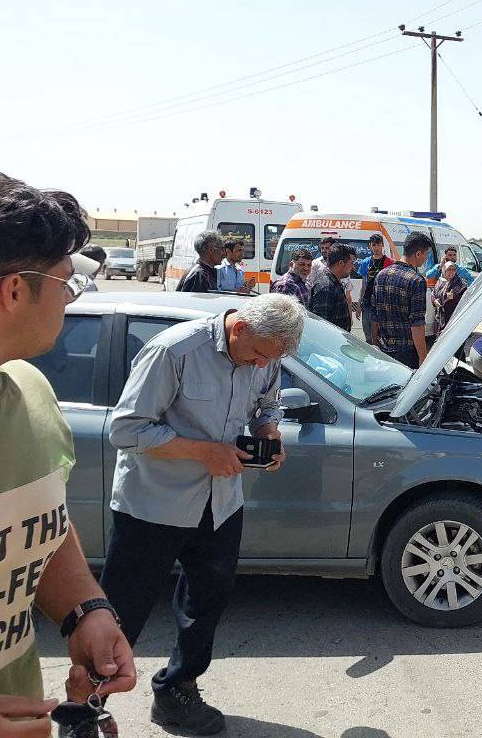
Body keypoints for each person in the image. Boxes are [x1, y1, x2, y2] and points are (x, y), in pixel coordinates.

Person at [0, 165, 137, 733]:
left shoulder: (32, 392)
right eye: (65, 281)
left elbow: (38, 524)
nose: (70, 297)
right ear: (12, 291)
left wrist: (85, 610)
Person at [99, 293, 301, 735]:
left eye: (271, 360)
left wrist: (268, 432)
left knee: (207, 598)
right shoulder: (175, 350)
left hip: (220, 501)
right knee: (121, 609)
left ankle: (176, 691)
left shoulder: (266, 353)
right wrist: (203, 452)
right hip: (153, 503)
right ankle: (90, 700)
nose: (261, 365)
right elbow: (126, 429)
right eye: (259, 356)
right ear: (239, 328)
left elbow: (268, 404)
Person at [370, 231, 432, 367]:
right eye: (426, 254)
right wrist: (423, 358)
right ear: (418, 254)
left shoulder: (381, 275)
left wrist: (374, 342)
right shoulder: (417, 281)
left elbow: (374, 314)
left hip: (383, 349)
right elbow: (417, 323)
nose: (426, 259)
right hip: (406, 353)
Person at [307, 243, 357, 331]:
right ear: (341, 263)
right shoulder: (326, 287)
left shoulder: (334, 282)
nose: (353, 267)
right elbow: (321, 328)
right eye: (352, 263)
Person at [357, 234, 396, 342]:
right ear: (370, 246)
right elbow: (363, 285)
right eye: (374, 245)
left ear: (382, 245)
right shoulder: (365, 262)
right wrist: (360, 304)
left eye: (379, 245)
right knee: (368, 334)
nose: (376, 248)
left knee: (383, 334)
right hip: (368, 303)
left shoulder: (390, 263)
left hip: (383, 304)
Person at [432, 261, 468, 333]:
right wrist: (434, 300)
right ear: (444, 270)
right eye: (449, 269)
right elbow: (434, 294)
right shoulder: (440, 281)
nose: (451, 272)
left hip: (453, 315)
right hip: (440, 315)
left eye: (453, 269)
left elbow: (465, 298)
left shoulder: (460, 283)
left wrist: (453, 297)